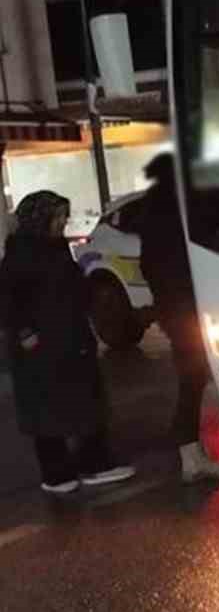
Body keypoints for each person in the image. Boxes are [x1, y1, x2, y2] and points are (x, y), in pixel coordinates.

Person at [0, 190, 135, 495]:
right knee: (49, 409)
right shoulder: (22, 256)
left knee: (81, 402)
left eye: (63, 216)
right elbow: (11, 304)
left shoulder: (53, 249)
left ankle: (86, 464)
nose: (63, 222)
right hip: (44, 350)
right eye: (57, 217)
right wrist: (28, 338)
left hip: (69, 341)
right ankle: (65, 471)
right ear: (40, 220)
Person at [121, 153, 219, 483]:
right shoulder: (177, 211)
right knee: (196, 378)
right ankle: (189, 454)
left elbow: (149, 264)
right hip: (189, 310)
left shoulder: (156, 209)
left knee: (198, 377)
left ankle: (189, 450)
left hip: (177, 309)